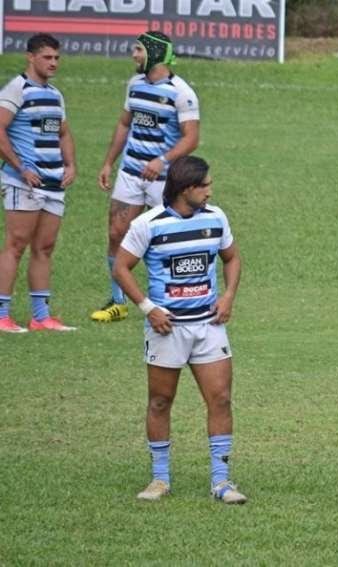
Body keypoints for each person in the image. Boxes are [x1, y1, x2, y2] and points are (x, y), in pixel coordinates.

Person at [112, 155, 247, 504]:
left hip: (209, 326)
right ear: (186, 189)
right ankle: (160, 479)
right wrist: (148, 308)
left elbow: (231, 257)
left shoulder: (216, 218)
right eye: (205, 185)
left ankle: (221, 482)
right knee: (159, 401)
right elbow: (122, 268)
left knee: (220, 399)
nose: (210, 191)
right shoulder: (148, 224)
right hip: (166, 330)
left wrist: (229, 296)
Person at [92, 31, 200, 323]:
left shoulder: (182, 92)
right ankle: (118, 302)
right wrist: (107, 163)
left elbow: (192, 139)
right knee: (116, 233)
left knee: (166, 238)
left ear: (154, 53)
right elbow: (124, 124)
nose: (133, 55)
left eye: (138, 50)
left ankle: (169, 299)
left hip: (164, 179)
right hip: (130, 173)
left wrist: (162, 160)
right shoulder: (135, 84)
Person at [0, 33, 77, 333]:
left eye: (56, 57)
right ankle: (2, 314)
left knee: (45, 247)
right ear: (30, 57)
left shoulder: (55, 95)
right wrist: (21, 168)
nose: (53, 63)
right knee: (16, 245)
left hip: (53, 184)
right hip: (24, 184)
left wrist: (70, 164)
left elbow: (64, 133)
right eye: (47, 57)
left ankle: (41, 317)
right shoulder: (16, 89)